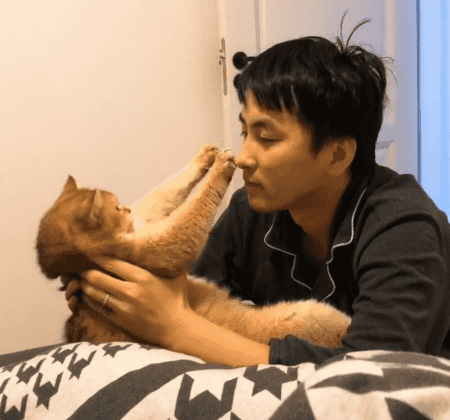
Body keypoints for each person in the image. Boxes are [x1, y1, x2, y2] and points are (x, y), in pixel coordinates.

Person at [65, 11, 450, 367]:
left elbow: (372, 371)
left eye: (266, 138)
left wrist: (175, 329)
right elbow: (186, 294)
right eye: (244, 132)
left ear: (336, 155)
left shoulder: (403, 226)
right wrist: (112, 292)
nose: (243, 157)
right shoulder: (249, 210)